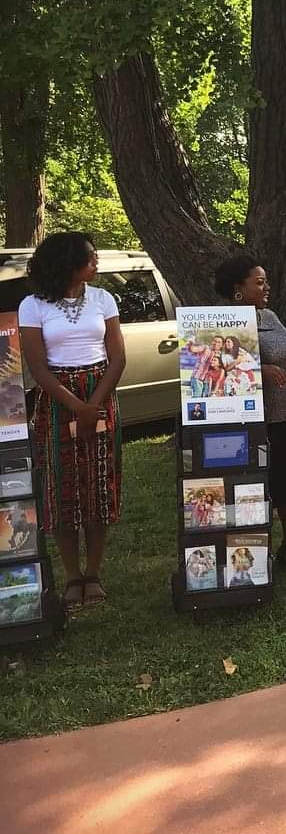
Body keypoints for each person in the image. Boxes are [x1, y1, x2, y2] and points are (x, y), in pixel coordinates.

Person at [18, 232, 126, 611]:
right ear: (67, 263)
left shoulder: (103, 299)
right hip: (57, 398)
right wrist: (75, 406)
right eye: (90, 259)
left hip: (100, 392)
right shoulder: (33, 305)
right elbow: (37, 367)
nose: (96, 264)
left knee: (98, 485)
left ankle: (94, 573)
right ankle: (72, 576)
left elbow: (117, 358)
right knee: (62, 489)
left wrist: (93, 405)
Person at [214, 255, 286, 573]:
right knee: (253, 488)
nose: (266, 287)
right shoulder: (222, 322)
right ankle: (250, 554)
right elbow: (216, 367)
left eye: (266, 281)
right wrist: (260, 368)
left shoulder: (268, 315)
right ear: (237, 289)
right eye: (259, 282)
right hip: (250, 421)